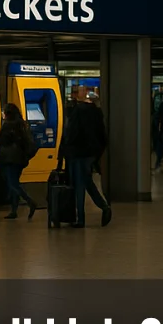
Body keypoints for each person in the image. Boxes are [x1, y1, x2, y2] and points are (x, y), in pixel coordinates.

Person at [59, 85, 112, 227]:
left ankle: (80, 218)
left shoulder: (77, 111)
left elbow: (72, 133)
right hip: (90, 153)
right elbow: (102, 134)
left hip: (77, 152)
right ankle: (104, 207)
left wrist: (65, 149)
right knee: (87, 182)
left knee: (79, 185)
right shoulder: (96, 111)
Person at [0, 102, 38, 220]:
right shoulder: (22, 124)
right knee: (14, 182)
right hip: (21, 159)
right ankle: (14, 210)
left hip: (10, 159)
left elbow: (1, 140)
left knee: (13, 184)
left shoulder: (8, 125)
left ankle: (30, 202)